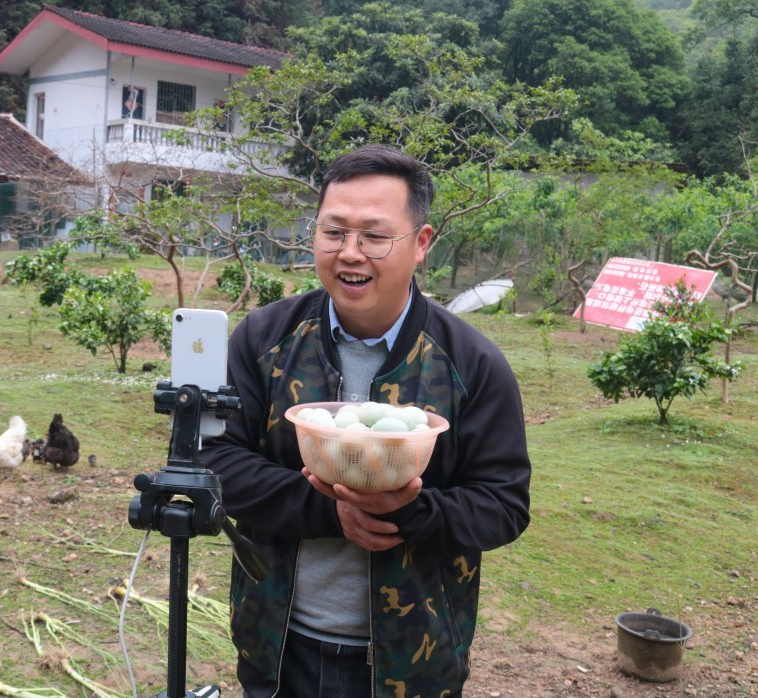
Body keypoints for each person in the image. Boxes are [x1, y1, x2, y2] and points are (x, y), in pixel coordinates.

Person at [201, 144, 531, 697]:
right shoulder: (263, 341)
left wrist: (413, 511)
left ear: (420, 244)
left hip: (414, 661)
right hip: (276, 645)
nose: (350, 253)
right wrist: (333, 510)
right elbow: (214, 461)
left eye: (375, 237)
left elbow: (504, 506)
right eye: (334, 232)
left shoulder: (472, 365)